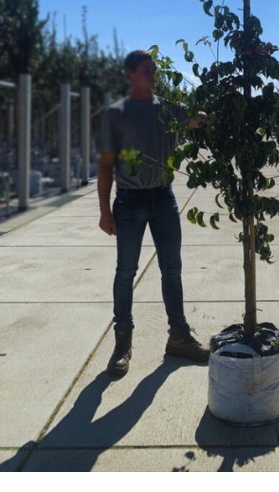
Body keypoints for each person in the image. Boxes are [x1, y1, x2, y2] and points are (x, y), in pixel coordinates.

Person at [98, 49, 216, 377]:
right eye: (146, 69)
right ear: (130, 74)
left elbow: (194, 117)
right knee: (125, 272)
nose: (153, 73)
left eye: (154, 68)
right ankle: (123, 343)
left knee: (172, 269)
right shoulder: (117, 114)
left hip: (163, 199)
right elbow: (106, 166)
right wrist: (105, 211)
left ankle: (178, 337)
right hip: (130, 202)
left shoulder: (168, 109)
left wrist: (210, 113)